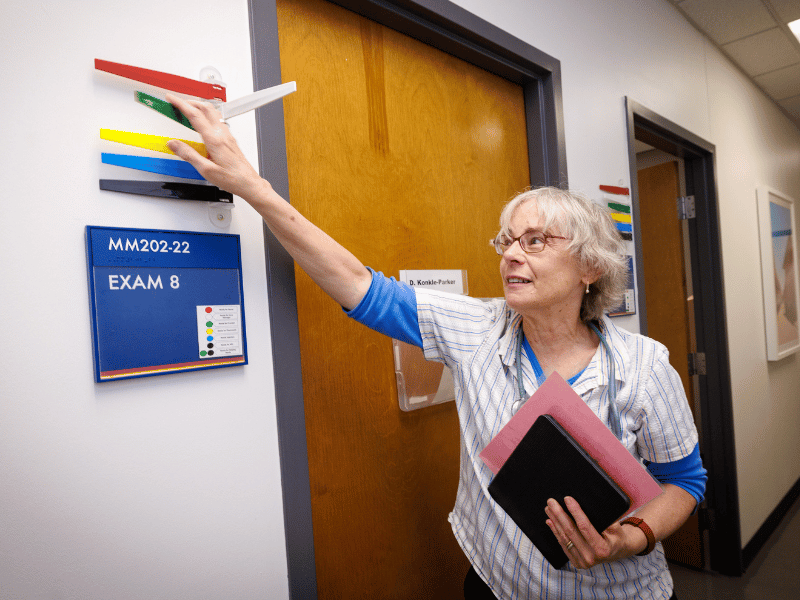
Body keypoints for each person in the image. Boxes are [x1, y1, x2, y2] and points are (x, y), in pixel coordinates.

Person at [165, 94, 707, 600]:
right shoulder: (476, 328)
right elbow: (358, 284)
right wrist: (253, 188)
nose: (511, 255)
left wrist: (631, 537)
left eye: (535, 241)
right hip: (495, 583)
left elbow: (683, 482)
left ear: (590, 266)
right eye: (507, 240)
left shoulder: (643, 365)